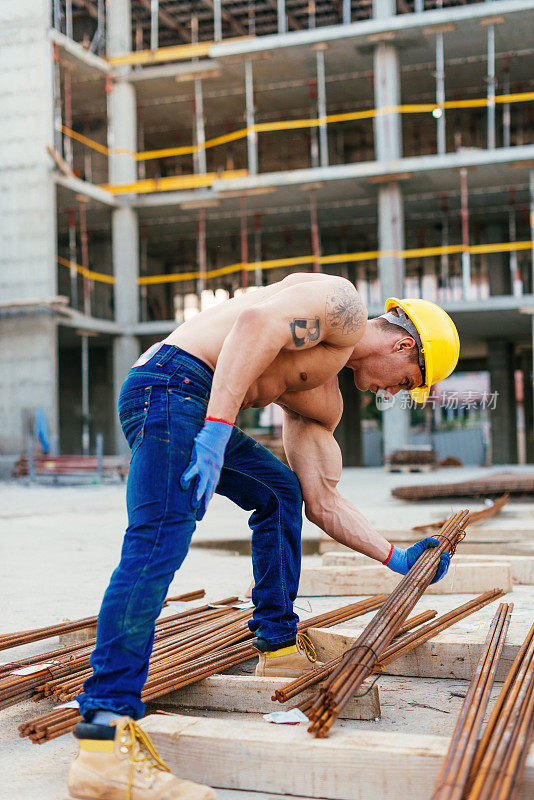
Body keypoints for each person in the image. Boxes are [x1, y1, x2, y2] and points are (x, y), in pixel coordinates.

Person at [68, 273, 460, 800]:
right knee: (157, 543)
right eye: (410, 380)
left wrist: (396, 556)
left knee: (280, 493)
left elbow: (320, 500)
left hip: (201, 405)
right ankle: (103, 742)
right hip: (173, 385)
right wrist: (215, 426)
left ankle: (277, 646)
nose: (398, 393)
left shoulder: (321, 396)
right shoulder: (343, 305)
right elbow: (256, 322)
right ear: (404, 344)